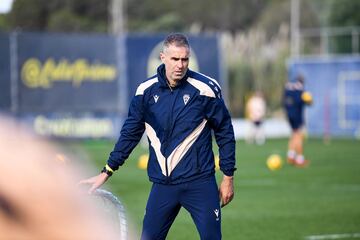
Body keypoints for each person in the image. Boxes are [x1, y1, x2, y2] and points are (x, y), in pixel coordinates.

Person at [79, 33, 236, 240]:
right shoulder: (145, 92)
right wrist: (107, 171)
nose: (180, 65)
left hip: (200, 183)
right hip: (163, 186)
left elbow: (225, 132)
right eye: (175, 59)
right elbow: (129, 135)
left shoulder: (206, 89)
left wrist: (228, 177)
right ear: (162, 57)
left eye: (185, 59)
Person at [283, 74, 313, 167]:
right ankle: (299, 159)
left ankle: (291, 156)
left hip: (289, 115)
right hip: (297, 116)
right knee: (298, 136)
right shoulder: (301, 91)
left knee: (294, 134)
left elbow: (284, 102)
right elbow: (309, 102)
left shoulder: (288, 89)